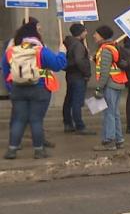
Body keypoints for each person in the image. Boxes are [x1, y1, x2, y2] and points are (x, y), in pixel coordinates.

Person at [3, 19, 66, 159]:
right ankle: (39, 150)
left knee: (19, 119)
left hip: (18, 89)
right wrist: (62, 52)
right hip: (40, 88)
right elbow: (57, 65)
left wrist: (11, 88)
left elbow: (6, 71)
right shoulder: (40, 50)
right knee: (36, 120)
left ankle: (12, 150)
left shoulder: (11, 51)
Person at [92, 25, 126, 151]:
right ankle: (119, 139)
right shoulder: (110, 48)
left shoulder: (105, 50)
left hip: (110, 84)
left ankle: (109, 140)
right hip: (117, 83)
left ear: (102, 36)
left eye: (96, 33)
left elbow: (105, 72)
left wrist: (99, 88)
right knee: (114, 112)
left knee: (109, 113)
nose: (94, 35)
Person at [62, 23, 93, 135]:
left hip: (70, 75)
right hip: (78, 76)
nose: (86, 33)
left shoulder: (70, 43)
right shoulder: (78, 46)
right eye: (84, 31)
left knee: (69, 100)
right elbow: (79, 60)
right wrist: (87, 73)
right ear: (80, 32)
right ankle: (79, 125)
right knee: (76, 101)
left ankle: (68, 123)